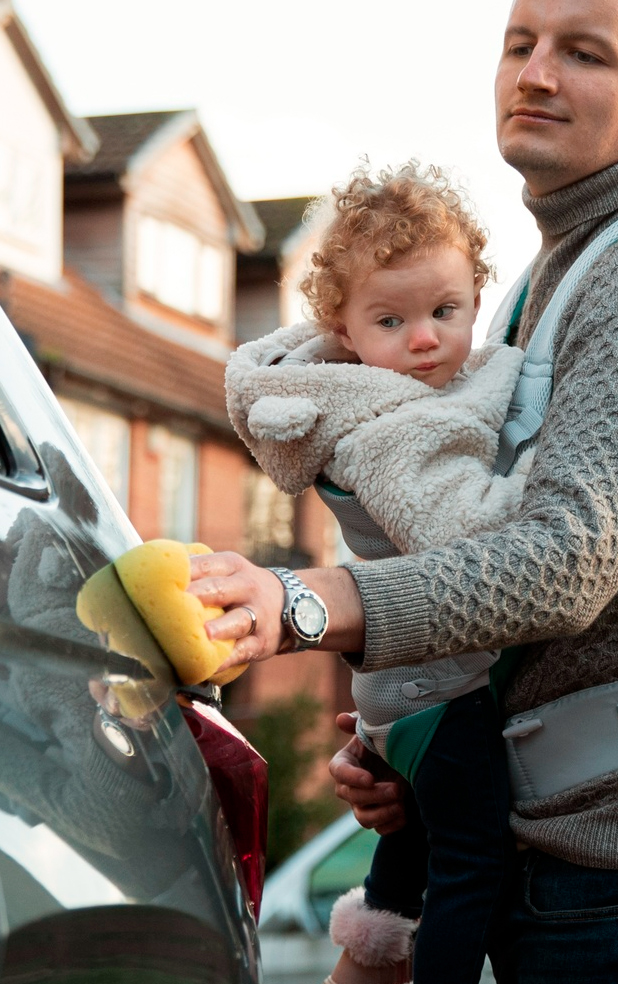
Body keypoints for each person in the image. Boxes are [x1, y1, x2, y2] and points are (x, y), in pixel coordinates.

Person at [191, 0, 618, 984]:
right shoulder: (532, 287)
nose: (537, 73)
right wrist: (416, 753)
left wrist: (307, 604)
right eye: (520, 42)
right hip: (568, 852)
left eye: (585, 52)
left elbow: (564, 561)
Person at [226, 162, 528, 984]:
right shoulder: (386, 429)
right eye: (391, 320)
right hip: (437, 685)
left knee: (404, 864)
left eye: (446, 311)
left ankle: (362, 967)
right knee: (473, 860)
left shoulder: (373, 397)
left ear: (475, 293)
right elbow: (467, 534)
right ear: (345, 332)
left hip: (394, 689)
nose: (425, 338)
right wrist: (551, 489)